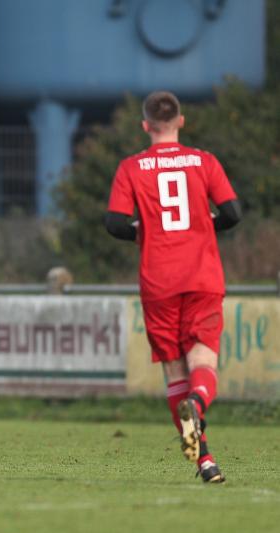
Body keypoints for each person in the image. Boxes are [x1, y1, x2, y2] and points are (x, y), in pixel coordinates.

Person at [105, 91, 242, 483]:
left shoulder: (132, 167)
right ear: (180, 121)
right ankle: (198, 402)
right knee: (203, 362)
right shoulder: (204, 161)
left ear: (145, 125)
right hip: (202, 276)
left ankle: (206, 461)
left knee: (175, 371)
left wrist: (142, 232)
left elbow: (114, 223)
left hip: (159, 280)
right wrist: (205, 224)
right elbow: (233, 213)